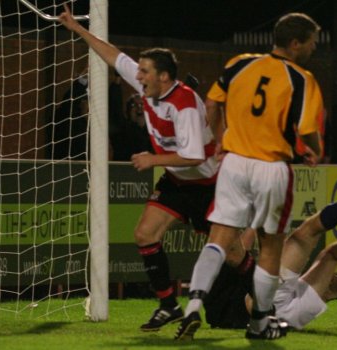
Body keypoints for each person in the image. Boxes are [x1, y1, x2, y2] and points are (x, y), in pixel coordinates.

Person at [58, 6, 219, 331]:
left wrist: (151, 159)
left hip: (209, 184)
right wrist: (77, 28)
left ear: (163, 76)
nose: (138, 76)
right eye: (139, 70)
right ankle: (168, 305)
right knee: (145, 233)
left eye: (145, 71)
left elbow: (194, 157)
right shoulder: (151, 85)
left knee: (233, 255)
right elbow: (113, 55)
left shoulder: (184, 103)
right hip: (177, 180)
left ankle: (263, 302)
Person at [176, 12, 324, 340]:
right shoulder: (301, 78)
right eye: (312, 41)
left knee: (218, 239)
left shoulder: (240, 63)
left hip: (234, 162)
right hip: (271, 166)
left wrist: (219, 140)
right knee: (270, 245)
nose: (315, 48)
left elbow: (212, 104)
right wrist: (315, 149)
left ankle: (192, 306)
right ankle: (259, 323)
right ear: (296, 42)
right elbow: (308, 129)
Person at [205, 160, 337, 332]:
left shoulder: (221, 268)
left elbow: (240, 247)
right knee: (310, 235)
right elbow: (241, 245)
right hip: (266, 304)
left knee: (327, 251)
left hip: (274, 310)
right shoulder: (224, 262)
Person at [45, 68, 89, 160]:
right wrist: (81, 81)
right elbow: (69, 102)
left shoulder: (85, 123)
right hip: (62, 167)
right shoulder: (66, 117)